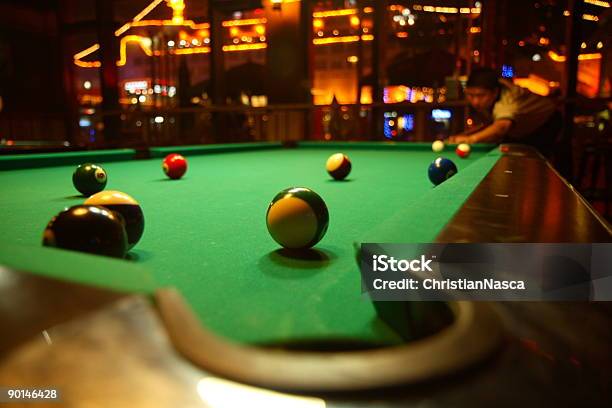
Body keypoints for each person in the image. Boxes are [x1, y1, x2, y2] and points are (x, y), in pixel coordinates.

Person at [448, 68, 562, 158]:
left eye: (480, 95)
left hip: (547, 122)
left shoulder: (507, 100)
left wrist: (470, 139)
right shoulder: (494, 90)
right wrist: (465, 135)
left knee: (532, 160)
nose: (475, 101)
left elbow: (501, 127)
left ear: (495, 92)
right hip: (521, 127)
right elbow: (492, 124)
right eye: (471, 95)